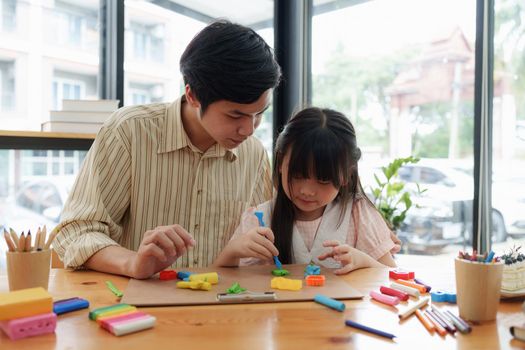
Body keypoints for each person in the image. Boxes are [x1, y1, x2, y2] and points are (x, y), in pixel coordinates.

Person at [52, 20, 282, 279]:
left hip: (220, 305)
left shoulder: (253, 154)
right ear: (193, 96)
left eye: (259, 114)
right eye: (235, 115)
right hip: (135, 303)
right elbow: (76, 232)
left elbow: (258, 243)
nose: (249, 130)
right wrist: (133, 263)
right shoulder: (129, 131)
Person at [215, 107, 398, 274]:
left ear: (345, 175)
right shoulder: (260, 218)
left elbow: (393, 277)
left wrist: (364, 261)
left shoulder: (359, 215)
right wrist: (233, 251)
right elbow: (220, 280)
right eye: (297, 175)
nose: (308, 191)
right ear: (280, 163)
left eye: (323, 179)